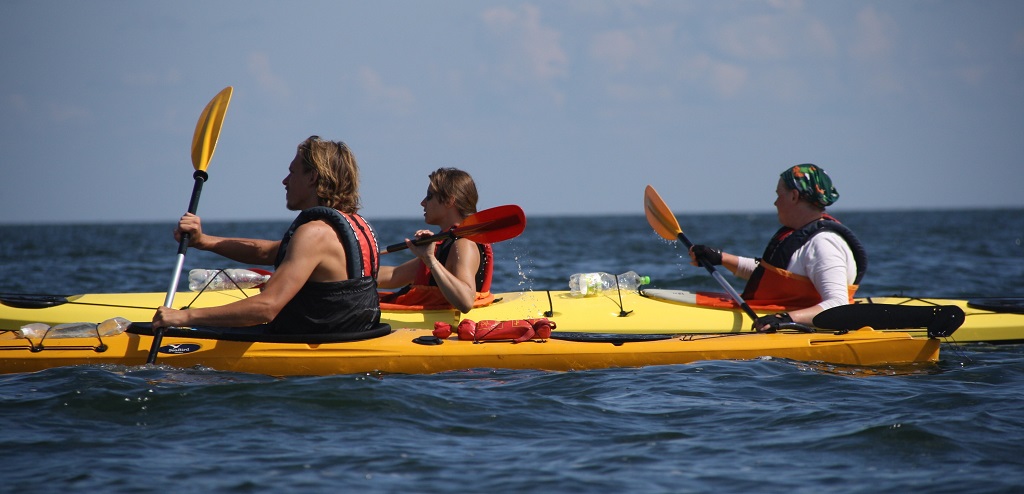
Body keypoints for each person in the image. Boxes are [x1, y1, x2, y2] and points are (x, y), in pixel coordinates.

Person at [152, 136, 383, 334]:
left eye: (292, 172)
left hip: (309, 341)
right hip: (350, 333)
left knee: (186, 328)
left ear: (312, 177)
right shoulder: (359, 225)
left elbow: (267, 307)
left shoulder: (313, 233)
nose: (284, 181)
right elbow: (268, 252)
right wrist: (204, 242)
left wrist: (184, 318)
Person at [688, 164, 867, 332]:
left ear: (794, 196)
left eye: (779, 195)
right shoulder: (801, 237)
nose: (775, 203)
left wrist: (784, 319)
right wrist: (721, 258)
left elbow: (838, 305)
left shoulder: (823, 244)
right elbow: (772, 277)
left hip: (805, 328)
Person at [376, 167, 494, 313]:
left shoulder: (464, 244)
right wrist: (351, 273)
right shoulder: (446, 242)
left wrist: (430, 260)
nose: (423, 202)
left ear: (449, 201)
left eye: (429, 196)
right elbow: (395, 275)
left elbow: (465, 301)